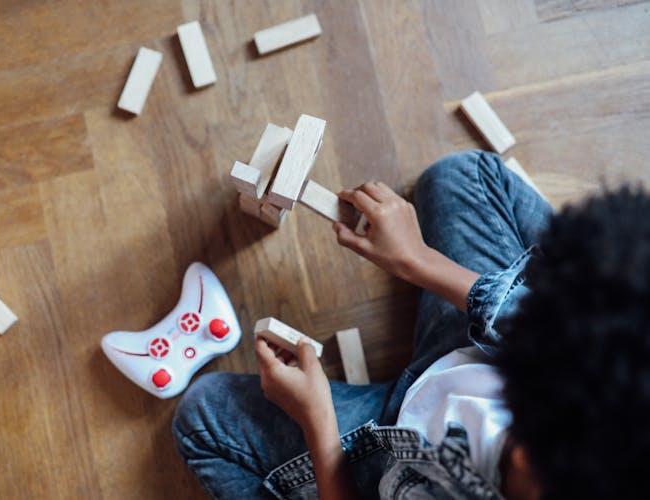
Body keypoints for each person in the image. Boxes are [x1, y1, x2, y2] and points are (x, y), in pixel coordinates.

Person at [172, 150, 650, 499]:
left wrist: (315, 419)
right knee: (463, 175)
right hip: (465, 354)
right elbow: (525, 316)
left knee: (202, 418)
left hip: (388, 450)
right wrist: (418, 260)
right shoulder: (605, 379)